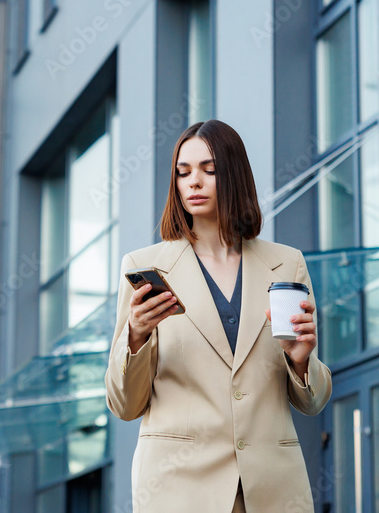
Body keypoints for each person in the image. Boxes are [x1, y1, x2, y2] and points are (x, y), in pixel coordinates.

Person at [104, 120, 332, 513]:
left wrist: (300, 361)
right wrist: (136, 336)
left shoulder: (286, 263)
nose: (194, 182)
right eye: (183, 172)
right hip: (178, 491)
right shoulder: (145, 266)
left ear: (235, 176)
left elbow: (312, 404)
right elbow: (125, 405)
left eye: (209, 170)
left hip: (271, 489)